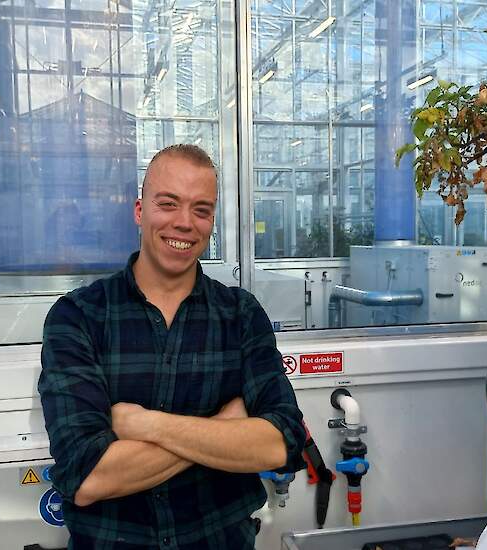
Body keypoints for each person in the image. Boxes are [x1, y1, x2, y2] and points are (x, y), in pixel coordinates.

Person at [39, 144, 307, 549]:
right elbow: (87, 476)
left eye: (201, 210)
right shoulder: (79, 317)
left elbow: (282, 442)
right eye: (168, 204)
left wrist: (148, 425)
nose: (185, 223)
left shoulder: (239, 315)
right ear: (139, 210)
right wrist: (225, 427)